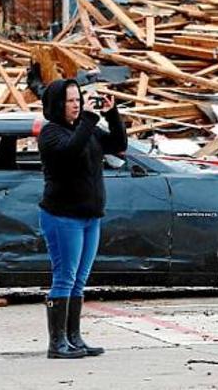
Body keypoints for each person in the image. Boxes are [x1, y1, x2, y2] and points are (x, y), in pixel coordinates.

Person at [38, 79, 127, 359]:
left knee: (79, 279)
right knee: (64, 277)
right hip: (62, 216)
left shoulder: (87, 128)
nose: (76, 105)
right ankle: (57, 342)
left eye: (79, 99)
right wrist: (89, 118)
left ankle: (74, 337)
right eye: (70, 101)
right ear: (57, 104)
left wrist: (112, 116)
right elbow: (70, 151)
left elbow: (117, 144)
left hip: (90, 216)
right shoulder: (51, 133)